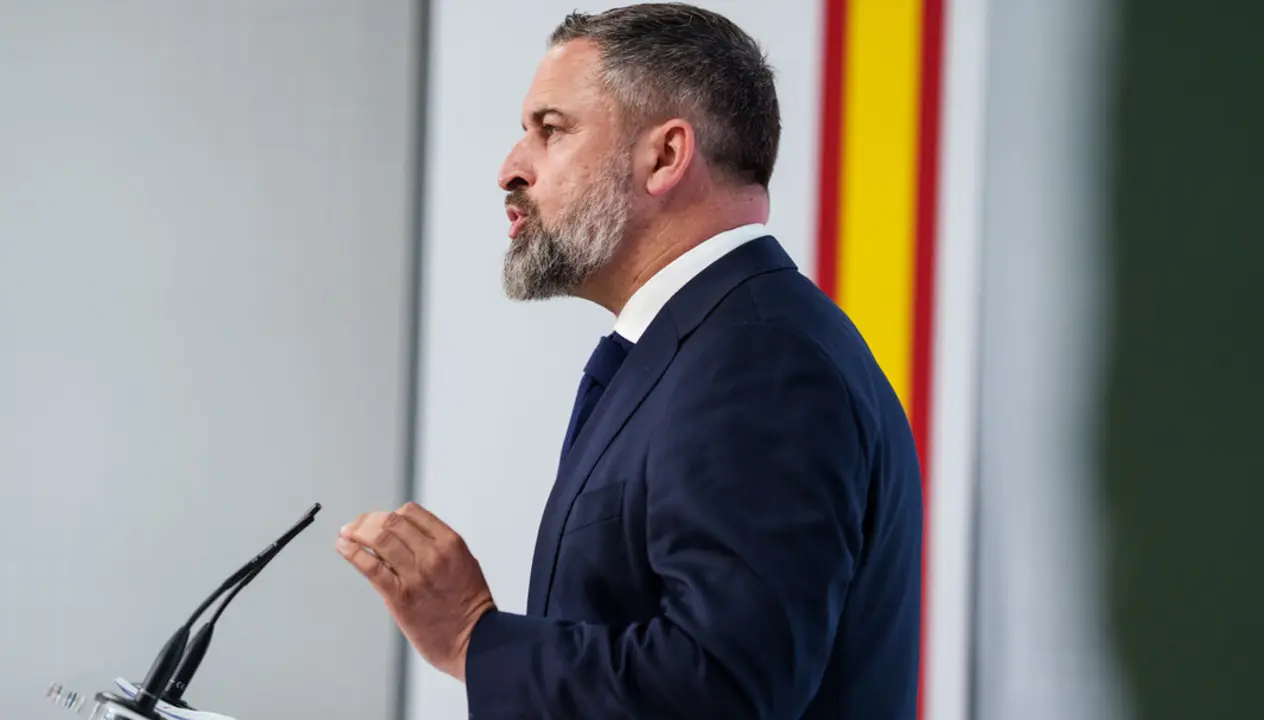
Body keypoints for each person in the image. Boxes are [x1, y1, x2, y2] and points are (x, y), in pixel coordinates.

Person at [335, 4, 923, 717]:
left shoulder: (759, 360)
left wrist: (471, 638)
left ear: (666, 156)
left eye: (550, 130)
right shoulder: (709, 346)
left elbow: (722, 688)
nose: (509, 169)